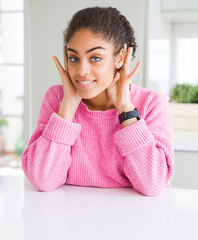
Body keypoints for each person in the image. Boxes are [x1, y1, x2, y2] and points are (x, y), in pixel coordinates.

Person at [21, 7, 174, 196]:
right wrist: (68, 105)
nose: (81, 70)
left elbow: (152, 185)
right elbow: (42, 179)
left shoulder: (150, 102)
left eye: (95, 58)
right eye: (73, 58)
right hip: (70, 218)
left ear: (119, 59)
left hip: (133, 220)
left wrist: (126, 108)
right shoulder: (57, 98)